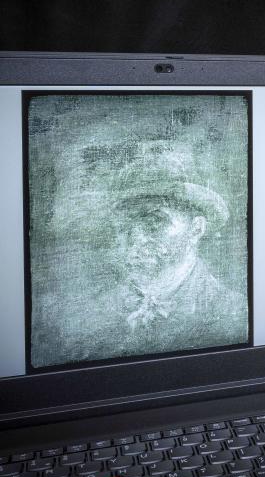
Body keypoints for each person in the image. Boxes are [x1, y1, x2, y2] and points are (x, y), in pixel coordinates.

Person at [32, 145, 248, 367]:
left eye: (155, 221)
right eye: (125, 222)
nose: (135, 236)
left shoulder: (232, 313)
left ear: (196, 229)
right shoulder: (88, 315)